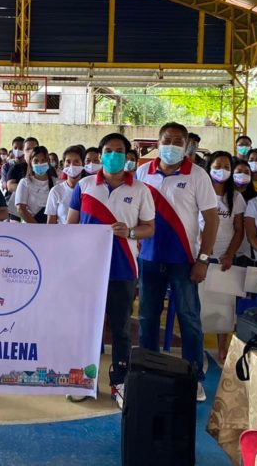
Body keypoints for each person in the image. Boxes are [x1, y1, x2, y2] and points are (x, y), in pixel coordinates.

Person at [67, 133, 155, 408]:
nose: (113, 155)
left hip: (123, 270)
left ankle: (119, 381)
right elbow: (70, 226)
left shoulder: (140, 190)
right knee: (85, 327)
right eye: (108, 150)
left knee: (120, 329)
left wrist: (128, 231)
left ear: (128, 156)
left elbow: (149, 228)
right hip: (87, 270)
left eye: (119, 151)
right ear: (101, 153)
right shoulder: (83, 186)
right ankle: (83, 378)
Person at [135, 123, 218, 402]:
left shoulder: (197, 175)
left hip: (184, 260)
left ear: (186, 145)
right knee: (147, 318)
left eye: (178, 141)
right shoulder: (142, 172)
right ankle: (148, 373)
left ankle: (192, 378)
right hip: (148, 258)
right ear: (157, 142)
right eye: (167, 140)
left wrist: (203, 260)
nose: (171, 145)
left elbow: (212, 219)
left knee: (189, 319)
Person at [201, 151, 246, 361]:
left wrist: (229, 254)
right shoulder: (200, 192)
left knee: (224, 305)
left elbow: (239, 230)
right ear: (209, 168)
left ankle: (222, 348)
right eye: (218, 166)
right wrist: (203, 249)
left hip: (224, 258)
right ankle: (197, 345)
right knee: (199, 303)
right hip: (200, 256)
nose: (222, 170)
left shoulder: (236, 197)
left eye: (227, 167)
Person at [14, 146, 55, 224]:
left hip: (51, 228)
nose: (40, 163)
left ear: (48, 162)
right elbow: (21, 209)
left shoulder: (56, 183)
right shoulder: (25, 183)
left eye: (43, 160)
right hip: (30, 228)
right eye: (36, 161)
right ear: (30, 163)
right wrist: (37, 227)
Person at [46, 146, 85, 225]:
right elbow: (50, 224)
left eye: (76, 161)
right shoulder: (56, 191)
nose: (72, 165)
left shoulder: (89, 189)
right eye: (68, 162)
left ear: (83, 164)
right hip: (62, 236)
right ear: (63, 164)